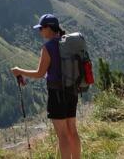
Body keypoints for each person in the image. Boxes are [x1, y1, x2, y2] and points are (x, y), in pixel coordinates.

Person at [11, 14, 80, 159]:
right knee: (72, 131)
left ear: (49, 28)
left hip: (56, 93)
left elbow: (39, 73)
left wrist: (19, 71)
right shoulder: (68, 42)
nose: (40, 31)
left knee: (62, 135)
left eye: (41, 28)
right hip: (72, 90)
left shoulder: (48, 47)